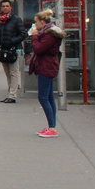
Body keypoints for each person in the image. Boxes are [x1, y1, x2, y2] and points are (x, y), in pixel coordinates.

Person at [29, 9, 64, 137]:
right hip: (47, 66)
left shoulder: (49, 35)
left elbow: (38, 49)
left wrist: (34, 36)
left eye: (36, 22)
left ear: (43, 22)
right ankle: (51, 126)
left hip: (46, 66)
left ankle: (52, 128)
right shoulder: (49, 32)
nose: (35, 25)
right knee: (49, 97)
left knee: (43, 97)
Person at [0, 0, 26, 103]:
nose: (5, 8)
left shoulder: (16, 19)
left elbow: (23, 34)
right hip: (2, 50)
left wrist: (12, 41)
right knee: (7, 73)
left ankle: (12, 95)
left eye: (7, 6)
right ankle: (10, 92)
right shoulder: (0, 20)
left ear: (11, 7)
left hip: (12, 50)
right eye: (3, 6)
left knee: (14, 72)